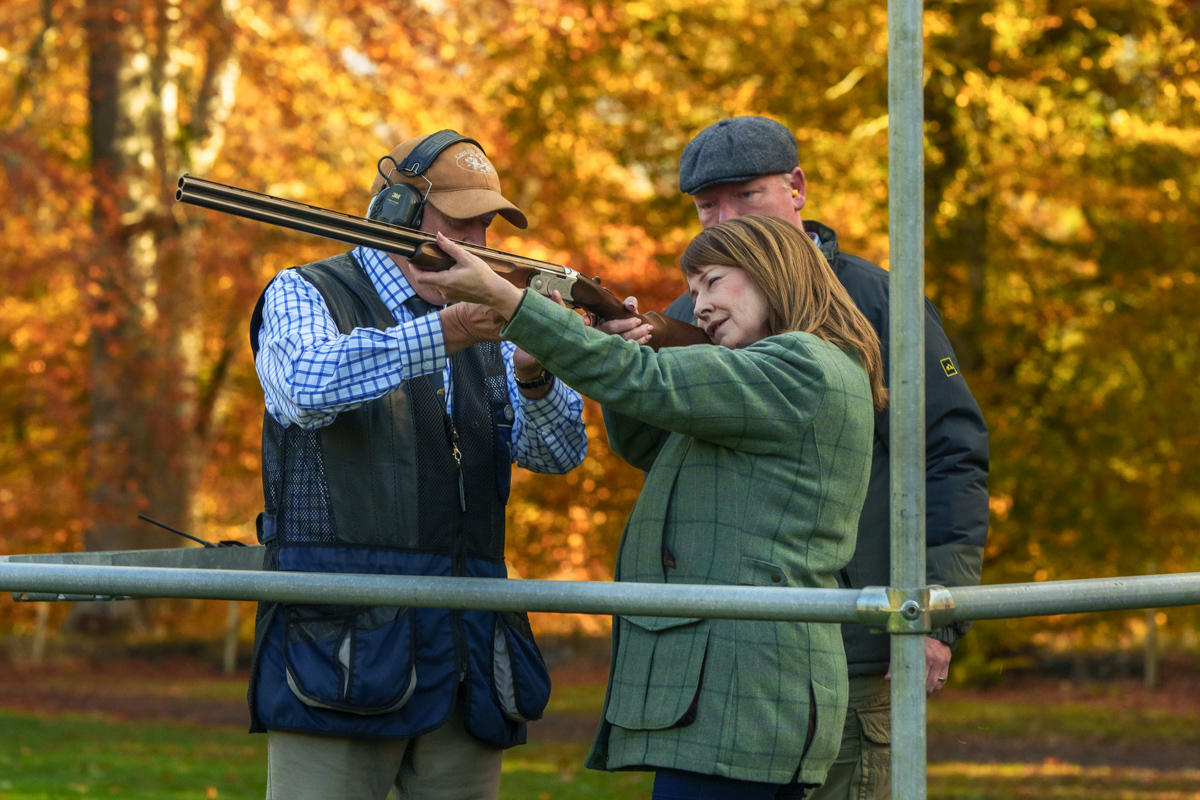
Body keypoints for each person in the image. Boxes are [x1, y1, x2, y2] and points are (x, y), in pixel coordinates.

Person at [414, 214, 887, 799]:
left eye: (713, 281)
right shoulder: (779, 370)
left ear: (773, 271)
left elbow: (646, 383)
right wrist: (612, 344)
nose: (700, 306)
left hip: (741, 687)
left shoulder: (797, 365)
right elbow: (644, 439)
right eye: (693, 291)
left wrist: (513, 306)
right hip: (737, 687)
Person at [607, 116, 990, 800]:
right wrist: (629, 359)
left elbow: (949, 454)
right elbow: (648, 448)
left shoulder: (878, 300)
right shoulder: (693, 309)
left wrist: (936, 608)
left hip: (857, 644)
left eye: (745, 196)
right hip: (730, 663)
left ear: (797, 188)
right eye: (707, 207)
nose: (725, 217)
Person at [245, 131, 588, 800]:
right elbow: (307, 387)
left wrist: (538, 373)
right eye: (460, 221)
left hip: (467, 660)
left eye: (486, 221)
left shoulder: (501, 313)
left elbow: (557, 454)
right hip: (338, 652)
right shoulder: (303, 291)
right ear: (397, 215)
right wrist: (448, 331)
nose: (479, 238)